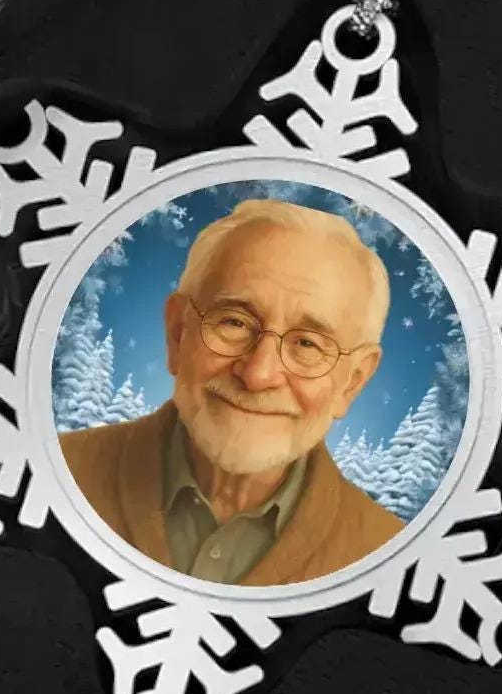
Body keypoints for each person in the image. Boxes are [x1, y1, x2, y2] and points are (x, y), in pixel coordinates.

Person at [61, 198, 402, 585]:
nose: (258, 374)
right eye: (235, 322)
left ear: (353, 381)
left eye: (307, 345)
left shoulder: (390, 554)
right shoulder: (57, 470)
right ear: (178, 334)